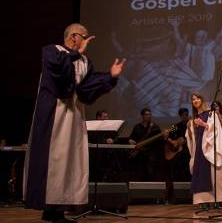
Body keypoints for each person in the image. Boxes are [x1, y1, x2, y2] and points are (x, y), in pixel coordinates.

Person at [23, 23, 125, 223]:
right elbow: (59, 72)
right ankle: (50, 207)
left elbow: (86, 90)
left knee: (70, 162)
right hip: (55, 114)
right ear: (73, 36)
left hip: (74, 114)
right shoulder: (53, 51)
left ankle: (57, 210)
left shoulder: (85, 61)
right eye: (85, 37)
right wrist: (75, 53)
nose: (87, 41)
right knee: (55, 159)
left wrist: (110, 77)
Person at [186, 93, 222, 205]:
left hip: (209, 147)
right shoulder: (194, 118)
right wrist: (190, 128)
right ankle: (203, 200)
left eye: (197, 98)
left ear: (202, 100)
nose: (195, 100)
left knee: (213, 172)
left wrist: (204, 124)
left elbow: (217, 130)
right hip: (199, 149)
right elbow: (193, 137)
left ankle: (217, 199)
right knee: (201, 172)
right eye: (193, 99)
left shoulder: (211, 114)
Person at [128, 108, 165, 181]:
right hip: (139, 153)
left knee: (150, 171)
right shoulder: (137, 127)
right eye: (147, 114)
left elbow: (160, 141)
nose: (149, 116)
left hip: (150, 153)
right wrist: (130, 140)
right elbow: (131, 137)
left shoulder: (155, 127)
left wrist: (165, 136)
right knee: (139, 171)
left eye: (150, 114)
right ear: (142, 116)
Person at [165, 108, 192, 202]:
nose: (185, 116)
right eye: (183, 115)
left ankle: (188, 196)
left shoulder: (191, 125)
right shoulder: (176, 126)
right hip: (178, 155)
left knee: (188, 171)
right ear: (180, 116)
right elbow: (167, 135)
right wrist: (172, 142)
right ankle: (177, 195)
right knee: (176, 170)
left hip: (188, 152)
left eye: (186, 114)